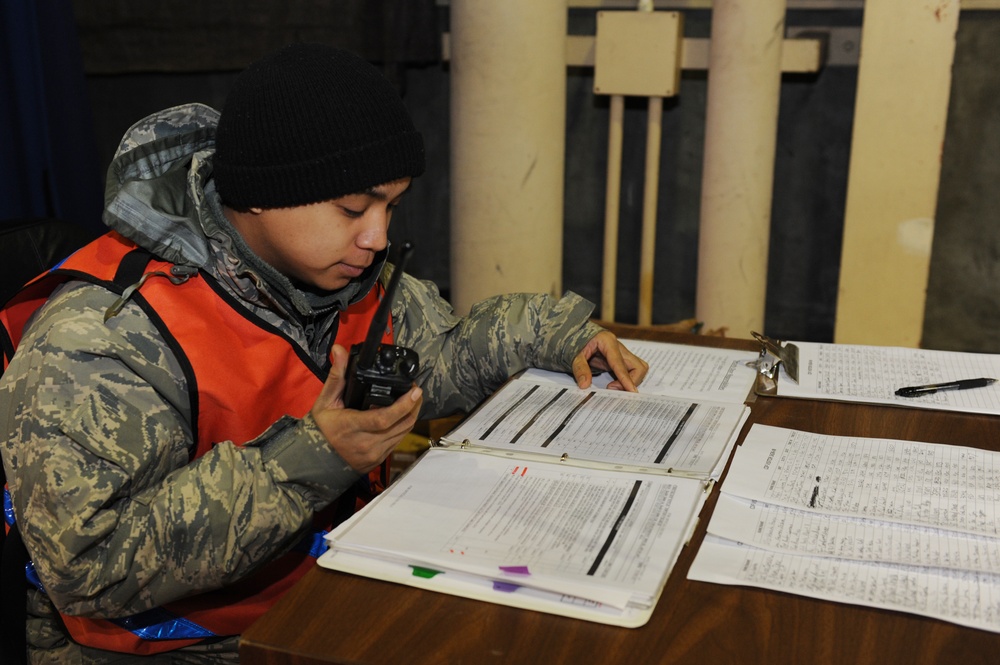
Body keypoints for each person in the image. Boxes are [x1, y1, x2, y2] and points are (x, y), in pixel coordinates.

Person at [0, 42, 648, 663]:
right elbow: (89, 568)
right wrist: (312, 458)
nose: (377, 236)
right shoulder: (102, 336)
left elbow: (441, 359)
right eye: (352, 208)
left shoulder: (342, 272)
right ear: (259, 189)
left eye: (392, 206)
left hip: (330, 590)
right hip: (171, 646)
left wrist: (554, 331)